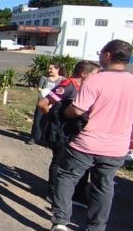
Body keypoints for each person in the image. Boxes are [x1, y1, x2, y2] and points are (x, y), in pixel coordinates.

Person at [50, 40, 133, 231]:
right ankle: (96, 228)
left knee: (67, 176)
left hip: (86, 142)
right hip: (116, 146)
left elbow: (77, 109)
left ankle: (61, 220)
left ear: (107, 55)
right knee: (104, 185)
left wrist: (65, 112)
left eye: (101, 52)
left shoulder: (94, 81)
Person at [37, 61, 99, 206]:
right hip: (62, 132)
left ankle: (76, 194)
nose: (97, 78)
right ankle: (53, 193)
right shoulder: (68, 86)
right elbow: (42, 104)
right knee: (59, 161)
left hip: (76, 131)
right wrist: (55, 119)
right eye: (95, 74)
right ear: (84, 74)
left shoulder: (84, 88)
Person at [27, 63, 64, 145]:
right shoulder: (44, 78)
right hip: (43, 101)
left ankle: (45, 139)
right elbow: (40, 88)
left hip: (54, 104)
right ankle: (34, 137)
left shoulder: (62, 79)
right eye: (49, 68)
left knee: (50, 122)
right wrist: (47, 93)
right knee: (38, 120)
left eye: (51, 69)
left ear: (57, 69)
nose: (49, 70)